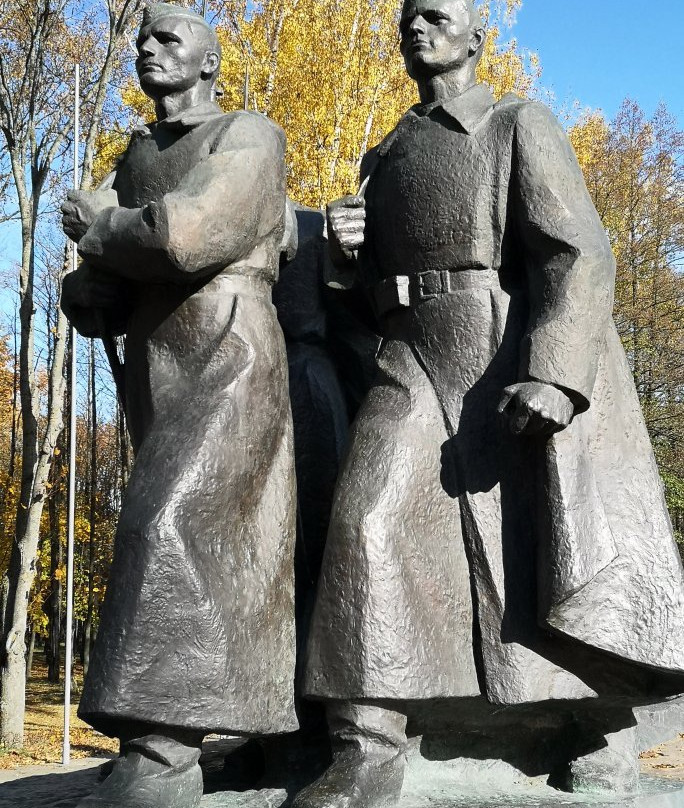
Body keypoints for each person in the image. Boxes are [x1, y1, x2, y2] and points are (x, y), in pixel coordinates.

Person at [294, 1, 684, 806]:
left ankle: (598, 726)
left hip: (500, 350)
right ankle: (367, 743)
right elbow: (363, 303)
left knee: (541, 544)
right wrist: (340, 261)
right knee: (368, 519)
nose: (416, 28)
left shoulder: (516, 124)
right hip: (408, 354)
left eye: (436, 15)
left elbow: (576, 251)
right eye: (406, 18)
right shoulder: (386, 154)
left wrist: (556, 373)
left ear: (477, 37)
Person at [60, 5, 297, 806]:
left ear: (208, 62)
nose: (148, 50)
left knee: (168, 521)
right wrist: (86, 286)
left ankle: (161, 758)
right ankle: (227, 734)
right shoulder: (135, 154)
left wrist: (101, 230)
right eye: (141, 40)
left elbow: (186, 235)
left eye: (169, 39)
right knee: (203, 540)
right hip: (156, 358)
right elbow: (109, 267)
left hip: (230, 348)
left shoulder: (249, 134)